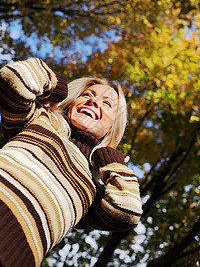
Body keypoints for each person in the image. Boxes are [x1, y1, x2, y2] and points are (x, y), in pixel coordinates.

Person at [0, 58, 142, 267]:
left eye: (107, 103)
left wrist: (112, 161)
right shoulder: (36, 121)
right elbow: (13, 77)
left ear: (113, 127)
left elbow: (127, 212)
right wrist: (55, 85)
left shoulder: (93, 192)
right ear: (73, 100)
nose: (93, 102)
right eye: (86, 95)